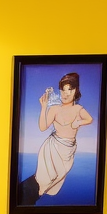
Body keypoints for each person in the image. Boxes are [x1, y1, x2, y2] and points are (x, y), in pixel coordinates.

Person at [17, 73, 93, 205]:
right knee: (42, 181)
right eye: (63, 89)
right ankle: (21, 200)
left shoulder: (78, 109)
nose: (66, 93)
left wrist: (78, 123)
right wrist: (44, 107)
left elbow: (89, 119)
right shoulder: (54, 109)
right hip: (52, 149)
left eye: (70, 89)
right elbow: (42, 127)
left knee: (55, 179)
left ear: (76, 91)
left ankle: (22, 199)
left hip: (68, 150)